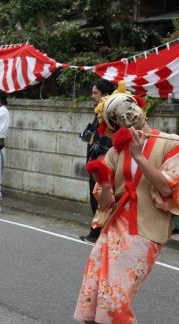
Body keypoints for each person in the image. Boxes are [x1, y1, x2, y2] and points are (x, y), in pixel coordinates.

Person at [74, 92, 179, 324]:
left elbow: (168, 189)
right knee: (94, 295)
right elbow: (104, 202)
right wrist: (106, 184)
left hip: (144, 231)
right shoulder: (115, 152)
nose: (128, 114)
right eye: (118, 115)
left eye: (128, 106)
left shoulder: (172, 143)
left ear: (139, 106)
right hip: (113, 228)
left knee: (115, 301)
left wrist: (139, 156)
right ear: (116, 125)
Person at [79, 79, 115, 243]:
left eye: (95, 93)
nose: (92, 96)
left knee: (99, 197)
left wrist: (101, 160)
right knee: (96, 197)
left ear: (105, 94)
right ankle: (97, 232)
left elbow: (106, 138)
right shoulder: (100, 111)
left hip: (101, 160)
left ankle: (97, 233)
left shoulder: (109, 113)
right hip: (95, 159)